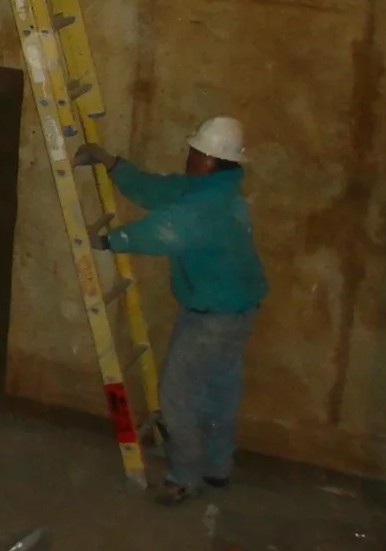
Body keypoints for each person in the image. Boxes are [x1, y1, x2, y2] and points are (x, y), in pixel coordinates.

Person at [74, 116, 267, 507]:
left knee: (178, 394)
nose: (188, 156)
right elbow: (156, 190)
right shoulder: (216, 190)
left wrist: (106, 240)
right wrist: (112, 163)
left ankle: (184, 476)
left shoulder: (204, 207)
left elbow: (159, 232)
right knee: (218, 392)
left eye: (194, 152)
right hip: (233, 310)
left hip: (213, 316)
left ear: (209, 161)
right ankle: (216, 466)